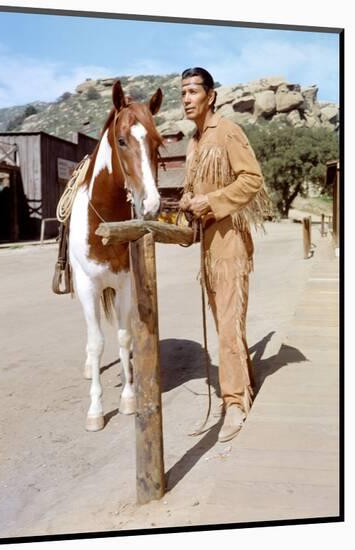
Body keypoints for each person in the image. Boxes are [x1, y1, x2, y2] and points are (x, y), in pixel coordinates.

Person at [179, 67, 271, 442]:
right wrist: (188, 201)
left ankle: (234, 403)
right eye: (182, 92)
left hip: (231, 242)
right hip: (207, 247)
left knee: (229, 326)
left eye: (192, 91)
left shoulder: (228, 131)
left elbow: (252, 179)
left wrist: (212, 202)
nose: (185, 99)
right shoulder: (194, 142)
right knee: (224, 324)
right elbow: (193, 190)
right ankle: (241, 385)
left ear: (210, 95)